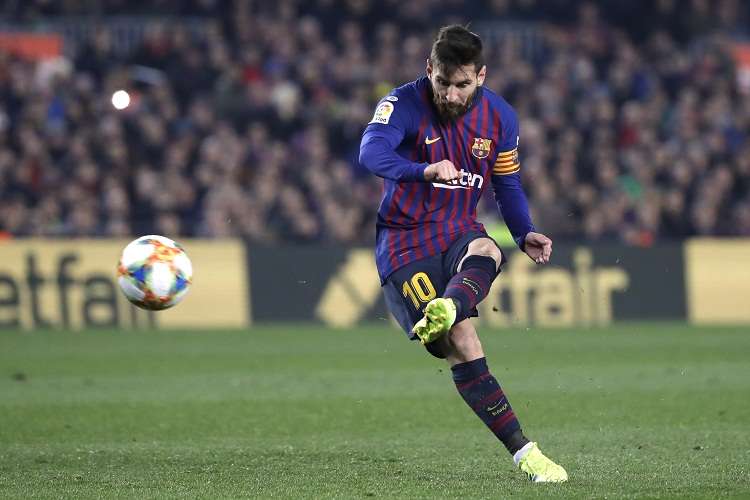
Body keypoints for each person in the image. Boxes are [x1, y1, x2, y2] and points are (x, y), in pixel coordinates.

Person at [358, 25, 568, 483]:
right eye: (443, 83)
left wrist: (525, 231)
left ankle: (527, 456)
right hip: (404, 241)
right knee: (451, 346)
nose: (452, 96)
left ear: (482, 77)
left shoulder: (500, 118)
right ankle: (444, 317)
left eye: (463, 85)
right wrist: (422, 169)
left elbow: (506, 182)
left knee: (488, 250)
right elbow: (370, 153)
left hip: (456, 229)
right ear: (429, 69)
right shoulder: (401, 103)